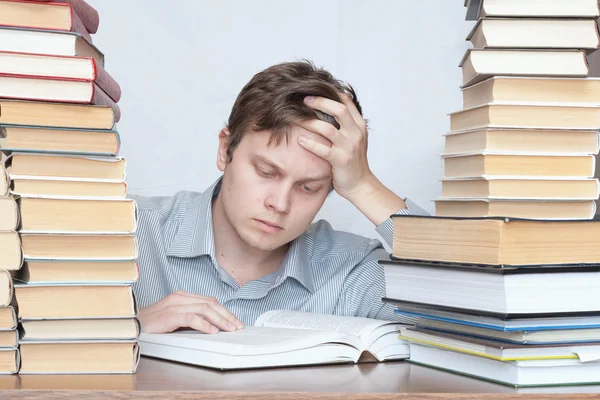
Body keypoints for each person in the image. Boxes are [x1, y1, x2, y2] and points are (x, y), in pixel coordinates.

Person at [132, 60, 428, 334]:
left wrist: (364, 186)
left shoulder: (349, 269)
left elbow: (471, 317)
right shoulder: (128, 232)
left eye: (308, 187)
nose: (280, 204)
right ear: (225, 150)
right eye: (265, 171)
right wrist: (123, 330)